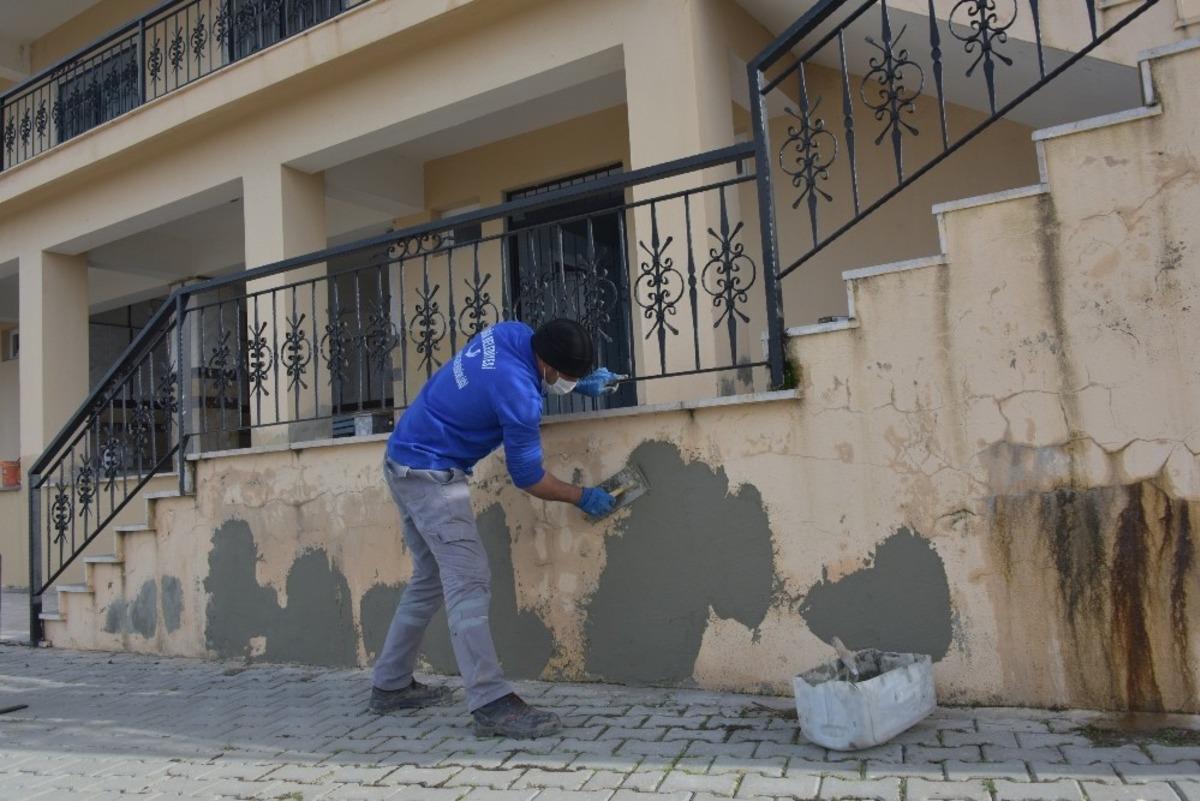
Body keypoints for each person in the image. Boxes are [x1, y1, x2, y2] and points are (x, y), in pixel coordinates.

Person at [368, 318, 623, 739]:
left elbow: (501, 378)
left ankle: (390, 685)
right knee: (468, 581)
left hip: (402, 456)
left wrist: (576, 384)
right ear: (549, 367)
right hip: (431, 474)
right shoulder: (521, 397)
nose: (567, 383)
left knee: (430, 579)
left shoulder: (510, 332)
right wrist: (582, 496)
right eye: (567, 377)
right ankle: (490, 702)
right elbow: (529, 477)